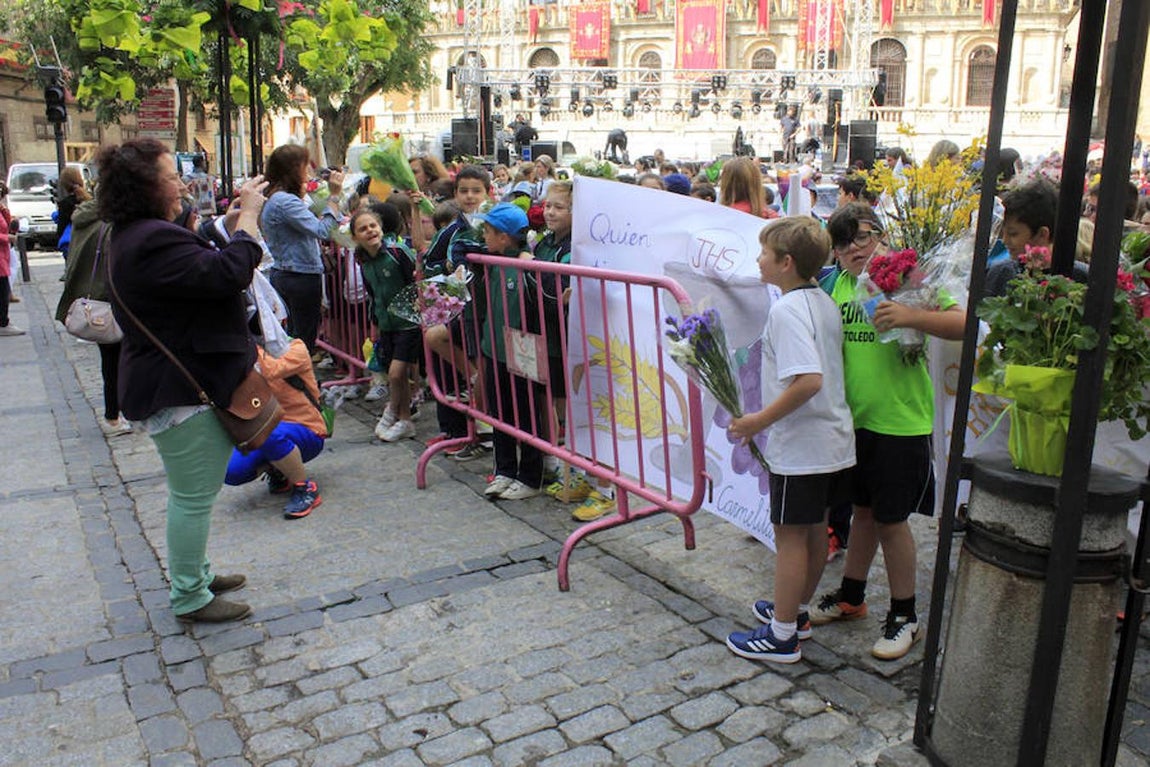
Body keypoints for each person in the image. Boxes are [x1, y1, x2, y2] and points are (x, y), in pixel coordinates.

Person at [101, 138, 268, 623]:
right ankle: (191, 595)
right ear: (146, 184)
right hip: (179, 386)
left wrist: (232, 222)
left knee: (192, 492)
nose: (179, 180)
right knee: (192, 497)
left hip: (173, 379)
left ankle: (195, 572)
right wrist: (251, 223)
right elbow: (226, 274)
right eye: (169, 173)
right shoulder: (148, 238)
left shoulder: (139, 233)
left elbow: (197, 267)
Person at [813, 203, 965, 660]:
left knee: (892, 522)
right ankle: (851, 596)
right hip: (853, 421)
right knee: (862, 511)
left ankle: (905, 615)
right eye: (844, 242)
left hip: (900, 421)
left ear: (882, 235)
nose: (856, 248)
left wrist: (910, 316)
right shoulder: (833, 285)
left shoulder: (909, 278)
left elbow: (963, 322)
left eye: (864, 236)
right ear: (834, 252)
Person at [725, 217, 855, 664]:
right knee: (815, 529)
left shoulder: (786, 310)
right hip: (830, 441)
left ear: (785, 263)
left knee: (790, 538)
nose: (758, 259)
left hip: (801, 447)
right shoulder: (822, 300)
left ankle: (782, 635)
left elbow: (808, 380)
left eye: (764, 252)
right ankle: (794, 612)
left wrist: (757, 421)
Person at [476, 203, 548, 500]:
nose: (483, 236)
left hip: (522, 350)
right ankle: (504, 469)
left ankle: (530, 477)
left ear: (504, 237)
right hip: (494, 347)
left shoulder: (526, 265)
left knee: (526, 411)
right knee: (499, 411)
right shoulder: (489, 259)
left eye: (488, 231)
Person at [224, 337, 328, 519]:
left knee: (268, 433)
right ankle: (279, 470)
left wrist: (247, 346)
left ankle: (305, 488)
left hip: (307, 429)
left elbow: (270, 370)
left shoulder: (297, 348)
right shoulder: (245, 357)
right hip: (269, 431)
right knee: (231, 471)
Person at [261, 144, 345, 356]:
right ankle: (299, 385)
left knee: (294, 338)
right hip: (299, 275)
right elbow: (323, 230)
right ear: (293, 168)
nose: (308, 173)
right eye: (304, 167)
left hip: (288, 272)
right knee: (302, 340)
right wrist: (334, 196)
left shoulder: (276, 198)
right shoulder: (285, 201)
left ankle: (294, 384)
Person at [55, 196, 131, 430]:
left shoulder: (83, 218)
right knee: (122, 359)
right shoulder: (109, 224)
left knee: (109, 360)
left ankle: (113, 414)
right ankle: (119, 414)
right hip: (111, 299)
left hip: (93, 298)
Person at [352, 204, 421, 443]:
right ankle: (405, 420)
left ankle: (392, 409)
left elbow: (415, 281)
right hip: (386, 323)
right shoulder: (363, 260)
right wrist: (375, 323)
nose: (370, 231)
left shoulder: (398, 252)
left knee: (395, 373)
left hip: (408, 323)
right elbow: (372, 294)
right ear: (355, 237)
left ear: (381, 228)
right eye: (363, 229)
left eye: (373, 226)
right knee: (398, 376)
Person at [983, 179, 1088, 299]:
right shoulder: (1000, 273)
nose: (1005, 241)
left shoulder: (1081, 278)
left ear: (1042, 234)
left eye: (1013, 234)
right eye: (1002, 233)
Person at [56, 165, 91, 261]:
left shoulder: (65, 204)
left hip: (73, 247)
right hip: (91, 245)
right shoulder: (91, 201)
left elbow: (61, 230)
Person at [0, 181, 21, 336]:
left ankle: (3, 321)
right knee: (3, 288)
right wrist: (7, 238)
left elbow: (6, 224)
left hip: (3, 254)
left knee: (4, 286)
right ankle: (3, 322)